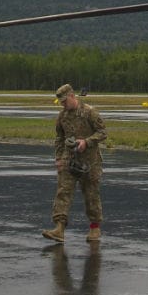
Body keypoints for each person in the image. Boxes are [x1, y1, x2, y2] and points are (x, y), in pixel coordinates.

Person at [42, 84, 107, 243]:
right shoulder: (62, 116)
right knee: (63, 192)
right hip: (68, 159)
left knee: (91, 194)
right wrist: (58, 158)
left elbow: (102, 133)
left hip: (89, 161)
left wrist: (86, 142)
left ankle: (94, 228)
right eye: (61, 103)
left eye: (65, 101)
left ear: (72, 96)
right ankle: (59, 228)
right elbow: (59, 138)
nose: (63, 105)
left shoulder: (89, 112)